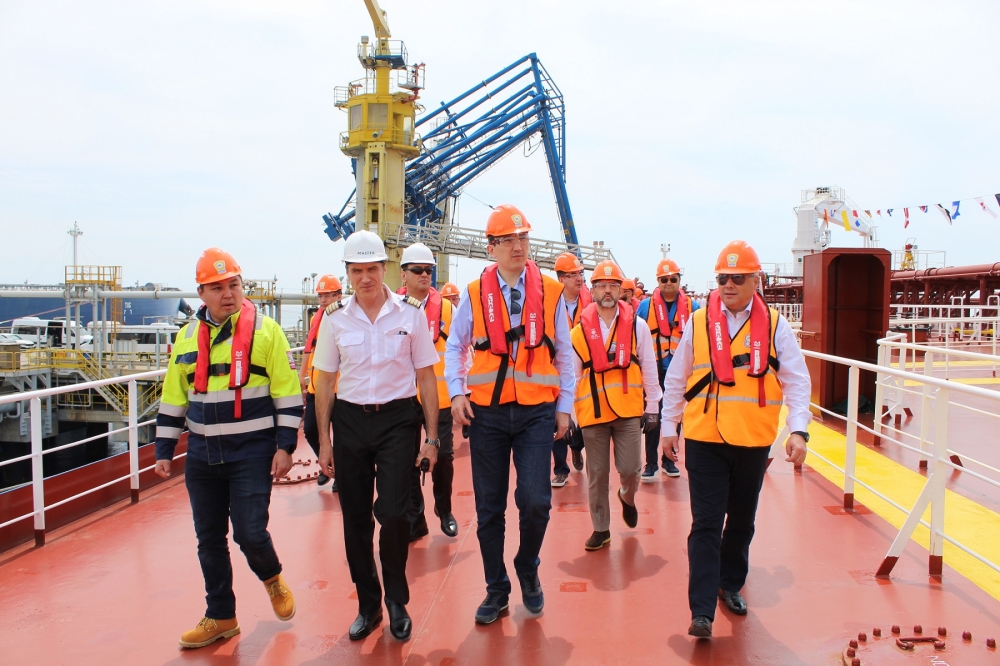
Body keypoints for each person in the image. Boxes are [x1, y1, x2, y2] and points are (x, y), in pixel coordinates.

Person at [658, 240, 810, 638]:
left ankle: (729, 584)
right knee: (706, 523)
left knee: (741, 520)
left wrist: (798, 429)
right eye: (722, 278)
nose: (728, 285)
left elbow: (796, 380)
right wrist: (668, 428)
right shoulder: (698, 323)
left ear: (755, 280)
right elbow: (676, 379)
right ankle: (702, 611)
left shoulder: (775, 326)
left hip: (752, 441)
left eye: (737, 278)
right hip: (705, 438)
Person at [153, 248, 302, 649]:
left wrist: (285, 446)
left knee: (250, 532)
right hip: (202, 455)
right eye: (217, 288)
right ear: (201, 293)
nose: (228, 294)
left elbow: (288, 393)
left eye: (233, 285)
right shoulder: (186, 337)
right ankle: (221, 616)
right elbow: (174, 395)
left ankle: (272, 578)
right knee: (209, 539)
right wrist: (164, 449)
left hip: (251, 452)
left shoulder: (266, 332)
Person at [445, 204, 576, 625]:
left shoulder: (551, 292)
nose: (518, 246)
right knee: (489, 508)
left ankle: (527, 565)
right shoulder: (472, 294)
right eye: (508, 240)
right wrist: (456, 392)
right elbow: (455, 346)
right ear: (491, 248)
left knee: (536, 501)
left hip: (538, 411)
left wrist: (565, 407)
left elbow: (565, 354)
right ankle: (496, 589)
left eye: (523, 238)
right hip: (488, 413)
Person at [312, 230, 441, 643]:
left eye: (372, 269)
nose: (365, 278)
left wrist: (432, 438)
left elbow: (426, 376)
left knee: (396, 513)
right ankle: (368, 606)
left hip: (398, 421)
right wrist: (325, 441)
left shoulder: (411, 314)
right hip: (350, 421)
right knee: (355, 519)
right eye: (357, 271)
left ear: (385, 269)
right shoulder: (335, 318)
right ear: (347, 273)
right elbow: (325, 381)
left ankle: (397, 601)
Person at [570, 260, 662, 551]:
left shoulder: (637, 326)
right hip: (593, 412)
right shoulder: (578, 333)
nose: (607, 291)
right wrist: (570, 416)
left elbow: (649, 366)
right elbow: (572, 376)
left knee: (632, 469)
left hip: (628, 410)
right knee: (597, 475)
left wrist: (653, 406)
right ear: (593, 290)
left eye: (613, 285)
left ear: (621, 290)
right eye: (602, 286)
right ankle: (601, 528)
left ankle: (627, 496)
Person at [397, 243, 459, 541]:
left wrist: (462, 392)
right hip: (404, 398)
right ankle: (416, 517)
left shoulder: (448, 309)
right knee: (405, 459)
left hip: (440, 397)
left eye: (429, 270)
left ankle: (444, 510)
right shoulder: (392, 309)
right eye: (418, 270)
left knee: (443, 457)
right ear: (403, 274)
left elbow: (460, 351)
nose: (425, 275)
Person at [636, 258, 700, 481]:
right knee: (652, 415)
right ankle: (651, 463)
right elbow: (637, 337)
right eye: (664, 280)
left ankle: (669, 461)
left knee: (675, 415)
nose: (669, 283)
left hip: (680, 372)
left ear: (679, 280)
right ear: (658, 282)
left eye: (673, 279)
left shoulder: (693, 307)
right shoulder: (645, 307)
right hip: (654, 370)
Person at [550, 251, 591, 484]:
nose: (579, 278)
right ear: (561, 279)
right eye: (573, 274)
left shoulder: (590, 303)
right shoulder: (550, 303)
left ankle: (576, 445)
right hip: (558, 371)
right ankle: (561, 469)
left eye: (580, 273)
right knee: (556, 419)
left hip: (585, 371)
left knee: (584, 417)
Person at [299, 274, 343, 490]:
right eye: (320, 296)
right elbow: (309, 348)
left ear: (339, 296)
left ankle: (341, 476)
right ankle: (330, 466)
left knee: (342, 436)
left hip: (340, 390)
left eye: (328, 295)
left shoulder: (346, 319)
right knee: (311, 430)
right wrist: (302, 375)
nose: (323, 300)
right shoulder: (316, 320)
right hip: (317, 388)